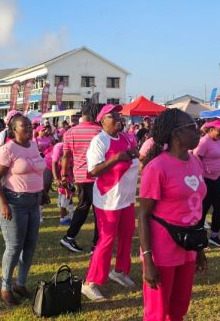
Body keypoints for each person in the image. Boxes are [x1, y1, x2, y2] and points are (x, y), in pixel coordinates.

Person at [139, 108, 207, 321]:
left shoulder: (195, 162)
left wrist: (199, 249)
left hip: (188, 245)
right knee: (157, 312)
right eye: (192, 128)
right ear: (176, 133)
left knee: (178, 309)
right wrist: (148, 260)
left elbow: (195, 207)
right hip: (162, 249)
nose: (199, 132)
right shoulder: (157, 167)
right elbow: (143, 216)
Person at [81, 104, 139, 301]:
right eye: (112, 116)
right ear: (102, 121)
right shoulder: (99, 140)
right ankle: (90, 282)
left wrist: (134, 154)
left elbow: (130, 157)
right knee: (106, 241)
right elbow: (93, 171)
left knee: (127, 235)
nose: (118, 119)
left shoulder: (123, 137)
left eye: (118, 115)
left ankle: (120, 271)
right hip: (108, 199)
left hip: (126, 197)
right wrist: (116, 159)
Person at [0, 113, 45, 306]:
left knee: (30, 245)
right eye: (24, 126)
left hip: (34, 201)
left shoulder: (33, 145)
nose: (29, 128)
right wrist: (2, 202)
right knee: (14, 247)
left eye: (30, 125)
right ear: (13, 130)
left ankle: (20, 283)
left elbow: (38, 171)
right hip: (14, 202)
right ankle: (5, 287)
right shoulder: (8, 149)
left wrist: (42, 192)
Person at [59, 104, 102, 253]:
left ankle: (70, 237)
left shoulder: (70, 132)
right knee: (98, 210)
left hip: (80, 175)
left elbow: (66, 156)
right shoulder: (100, 131)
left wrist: (64, 175)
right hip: (97, 175)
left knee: (84, 206)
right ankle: (96, 244)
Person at [192, 120, 220, 247]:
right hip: (205, 179)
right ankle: (199, 237)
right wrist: (200, 176)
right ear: (211, 129)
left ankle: (214, 236)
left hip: (217, 178)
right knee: (203, 209)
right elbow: (196, 158)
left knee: (219, 208)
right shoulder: (204, 141)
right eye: (219, 130)